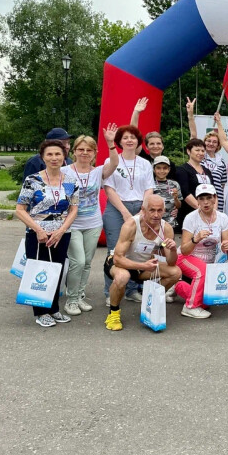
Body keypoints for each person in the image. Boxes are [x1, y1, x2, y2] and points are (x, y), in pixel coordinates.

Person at [15, 140, 79, 327]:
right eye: (49, 154)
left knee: (56, 271)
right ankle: (40, 312)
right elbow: (20, 209)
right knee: (39, 270)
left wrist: (61, 231)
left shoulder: (70, 181)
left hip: (61, 233)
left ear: (64, 156)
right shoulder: (33, 180)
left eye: (58, 154)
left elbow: (74, 209)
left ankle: (54, 309)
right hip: (37, 234)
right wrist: (39, 230)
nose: (54, 158)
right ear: (43, 157)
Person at [60, 125, 119, 316]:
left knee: (87, 263)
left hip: (93, 223)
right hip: (72, 223)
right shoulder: (65, 172)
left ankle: (80, 295)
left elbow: (115, 163)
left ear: (94, 153)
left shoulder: (98, 171)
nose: (85, 153)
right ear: (74, 151)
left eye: (89, 150)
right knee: (78, 261)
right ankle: (71, 300)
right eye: (81, 149)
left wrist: (111, 143)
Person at [103, 195, 181, 331]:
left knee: (176, 273)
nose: (156, 215)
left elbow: (171, 262)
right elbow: (118, 258)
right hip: (121, 264)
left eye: (160, 210)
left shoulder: (166, 228)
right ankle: (113, 313)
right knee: (123, 277)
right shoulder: (131, 225)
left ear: (164, 211)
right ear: (143, 210)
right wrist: (143, 266)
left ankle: (150, 302)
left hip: (144, 266)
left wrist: (173, 249)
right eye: (152, 210)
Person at [102, 125, 156, 305]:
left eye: (133, 137)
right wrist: (125, 212)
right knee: (115, 251)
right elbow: (109, 189)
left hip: (141, 207)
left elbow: (149, 187)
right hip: (117, 208)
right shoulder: (110, 161)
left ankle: (131, 290)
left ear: (138, 141)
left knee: (136, 251)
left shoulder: (145, 163)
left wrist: (144, 208)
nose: (129, 140)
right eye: (125, 137)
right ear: (119, 142)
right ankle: (111, 291)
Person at [176, 184, 228, 319]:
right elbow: (184, 249)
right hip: (186, 257)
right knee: (202, 271)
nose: (205, 202)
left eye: (208, 198)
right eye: (201, 199)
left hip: (209, 261)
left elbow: (227, 246)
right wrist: (196, 239)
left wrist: (226, 245)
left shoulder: (223, 217)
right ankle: (190, 307)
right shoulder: (191, 218)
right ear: (197, 200)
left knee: (207, 302)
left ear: (215, 198)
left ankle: (176, 286)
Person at [186, 97, 227, 209]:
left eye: (214, 142)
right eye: (208, 141)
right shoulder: (200, 157)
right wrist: (190, 115)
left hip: (217, 201)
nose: (211, 143)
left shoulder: (222, 162)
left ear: (218, 145)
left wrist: (219, 122)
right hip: (200, 201)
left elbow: (221, 185)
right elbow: (193, 136)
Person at [174, 138, 214, 229]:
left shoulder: (207, 171)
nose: (200, 153)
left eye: (203, 151)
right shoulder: (182, 170)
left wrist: (213, 210)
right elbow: (185, 192)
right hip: (190, 213)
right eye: (197, 150)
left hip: (208, 213)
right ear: (188, 151)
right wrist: (201, 209)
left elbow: (214, 192)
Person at [152, 156, 182, 228]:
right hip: (154, 223)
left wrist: (175, 198)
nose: (162, 171)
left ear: (169, 169)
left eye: (165, 168)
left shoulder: (174, 184)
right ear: (154, 169)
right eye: (158, 168)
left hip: (170, 223)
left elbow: (179, 205)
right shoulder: (150, 184)